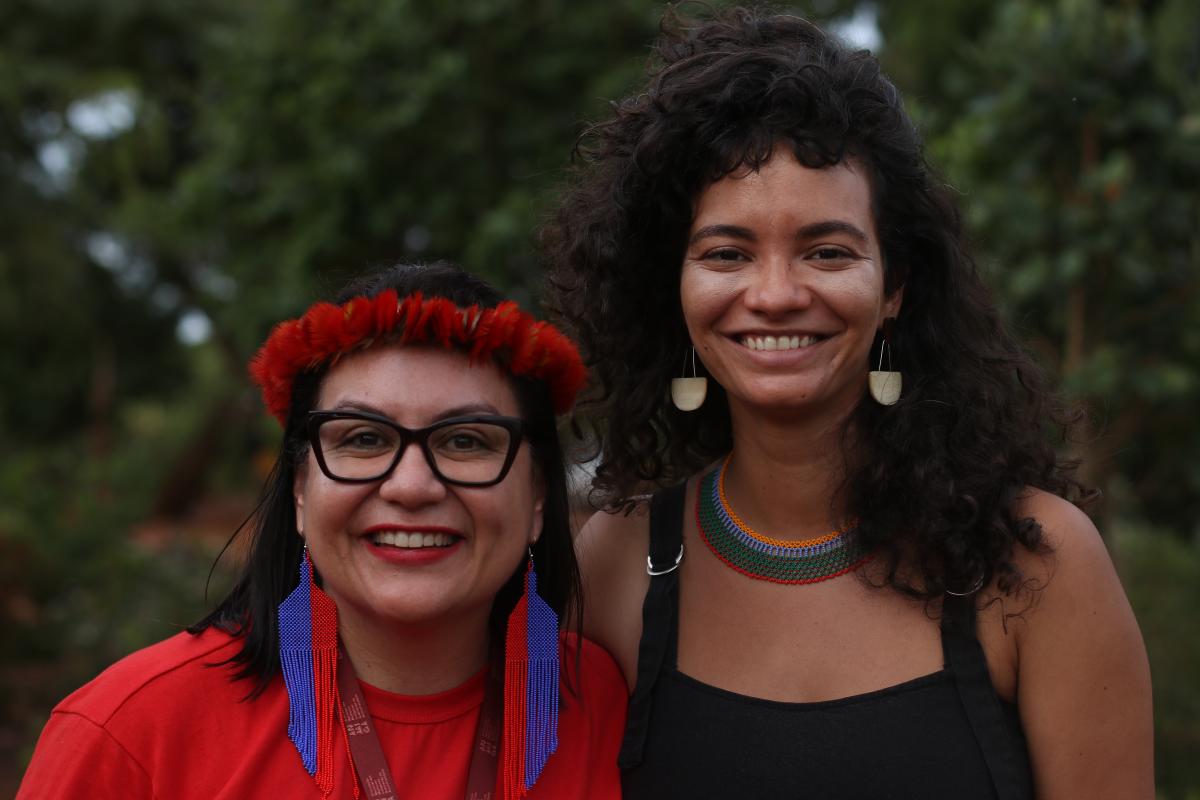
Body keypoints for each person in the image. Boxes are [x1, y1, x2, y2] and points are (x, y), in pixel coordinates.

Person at [543, 7, 1153, 799]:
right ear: (677, 290)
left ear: (894, 287)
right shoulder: (619, 561)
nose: (775, 295)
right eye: (727, 253)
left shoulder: (1034, 561)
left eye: (827, 252)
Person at [19, 262, 626, 799]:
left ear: (540, 495)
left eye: (465, 441)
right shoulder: (130, 731)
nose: (412, 486)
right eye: (363, 439)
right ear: (302, 490)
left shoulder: (611, 708)